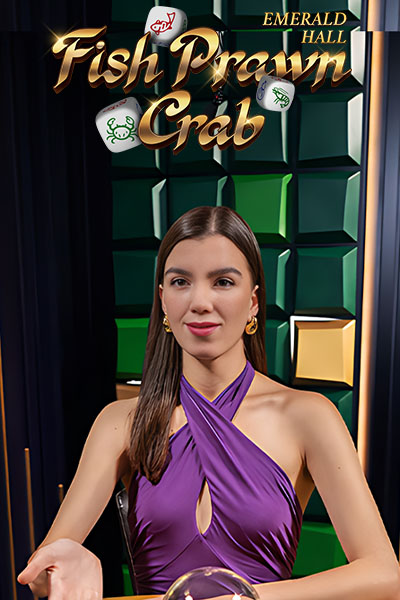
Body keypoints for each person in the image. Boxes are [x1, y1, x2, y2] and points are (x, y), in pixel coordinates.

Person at [18, 206, 400, 600]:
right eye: (181, 281)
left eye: (223, 282)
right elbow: (42, 576)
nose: (200, 301)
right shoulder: (121, 422)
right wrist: (72, 561)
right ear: (163, 300)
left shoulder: (308, 416)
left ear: (253, 302)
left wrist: (245, 598)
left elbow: (385, 576)